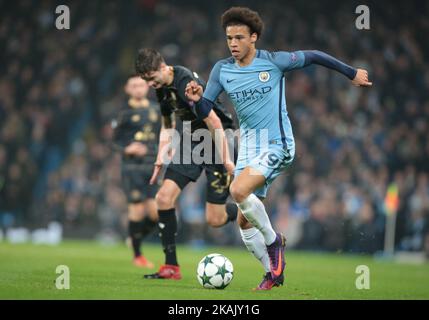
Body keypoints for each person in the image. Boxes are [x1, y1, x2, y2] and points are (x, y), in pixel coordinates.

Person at [185, 6, 372, 290]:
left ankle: (274, 243)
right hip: (248, 146)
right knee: (245, 224)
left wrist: (351, 72)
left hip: (277, 144)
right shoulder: (222, 70)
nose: (233, 44)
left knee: (237, 191)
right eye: (229, 38)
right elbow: (205, 110)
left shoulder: (274, 62)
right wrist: (196, 100)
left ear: (254, 37)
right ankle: (273, 274)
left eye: (239, 37)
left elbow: (315, 56)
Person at [135, 48, 238, 279]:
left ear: (163, 67)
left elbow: (214, 121)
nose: (150, 84)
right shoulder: (161, 87)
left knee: (215, 219)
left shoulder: (184, 81)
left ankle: (244, 213)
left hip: (218, 139)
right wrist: (161, 157)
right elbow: (168, 124)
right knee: (163, 198)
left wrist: (227, 159)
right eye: (146, 80)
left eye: (151, 78)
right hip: (192, 141)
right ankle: (171, 267)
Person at [111, 75, 161, 268]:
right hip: (131, 168)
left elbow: (163, 134)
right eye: (134, 85)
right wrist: (127, 148)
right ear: (127, 89)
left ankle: (135, 239)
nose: (138, 88)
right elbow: (113, 141)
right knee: (137, 210)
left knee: (156, 213)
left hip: (151, 166)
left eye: (141, 85)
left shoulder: (156, 110)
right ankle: (138, 255)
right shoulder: (123, 113)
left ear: (147, 87)